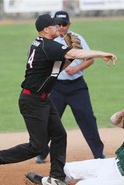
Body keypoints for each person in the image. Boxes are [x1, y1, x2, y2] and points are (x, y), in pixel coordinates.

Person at [0, 13, 117, 185]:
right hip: (32, 101)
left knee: (59, 135)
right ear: (46, 30)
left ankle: (56, 177)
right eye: (55, 26)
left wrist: (68, 58)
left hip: (43, 99)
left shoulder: (40, 44)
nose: (59, 28)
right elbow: (77, 53)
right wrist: (103, 54)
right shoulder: (48, 45)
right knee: (37, 146)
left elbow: (57, 69)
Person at [36, 11, 105, 164]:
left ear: (69, 25)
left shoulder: (76, 38)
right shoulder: (49, 40)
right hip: (56, 88)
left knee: (88, 119)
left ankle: (99, 154)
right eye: (58, 24)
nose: (61, 27)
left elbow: (90, 60)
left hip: (77, 87)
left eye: (64, 24)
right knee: (49, 121)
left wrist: (76, 69)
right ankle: (42, 152)